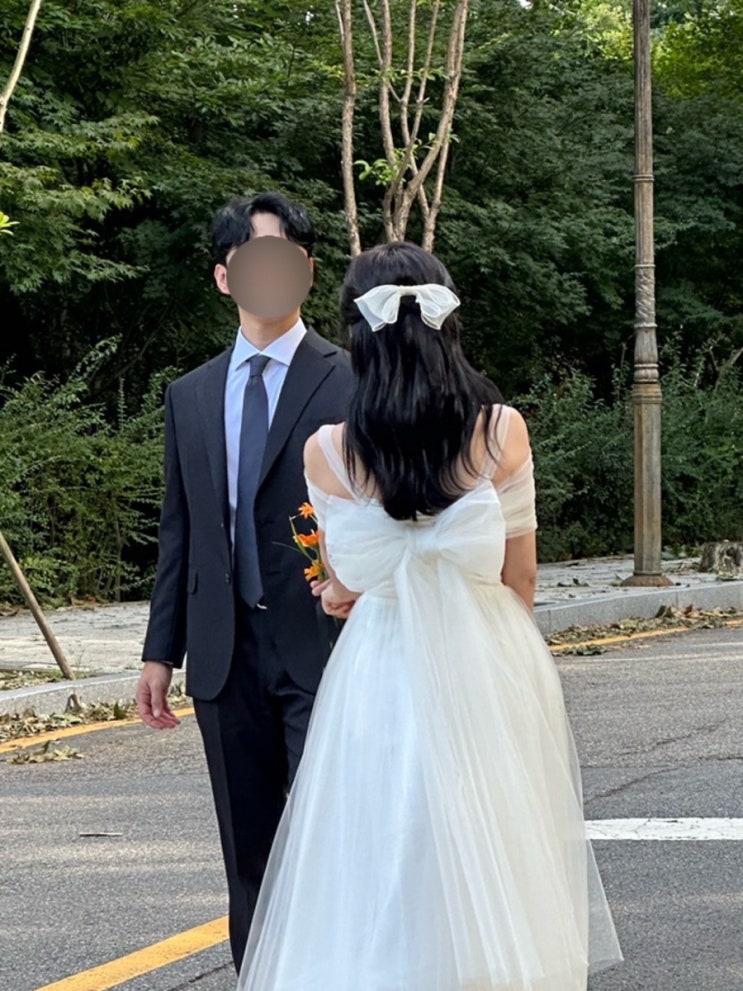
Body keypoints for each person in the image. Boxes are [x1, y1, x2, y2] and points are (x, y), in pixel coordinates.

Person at [237, 241, 622, 990]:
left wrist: (344, 591)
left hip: (376, 671)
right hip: (485, 660)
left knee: (377, 848)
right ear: (447, 322)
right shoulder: (500, 432)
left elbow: (344, 581)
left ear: (357, 335)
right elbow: (519, 577)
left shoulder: (327, 452)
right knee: (490, 848)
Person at [136, 191, 355, 972]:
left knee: (334, 838)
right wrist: (159, 651)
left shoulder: (349, 379)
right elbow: (181, 530)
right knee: (249, 855)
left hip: (328, 643)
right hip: (224, 652)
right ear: (224, 277)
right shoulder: (190, 395)